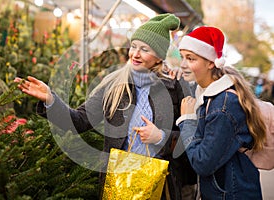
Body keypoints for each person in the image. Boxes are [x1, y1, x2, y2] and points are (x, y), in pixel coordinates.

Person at [15, 13, 196, 200]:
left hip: (159, 185)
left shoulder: (174, 89)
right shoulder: (114, 84)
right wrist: (50, 100)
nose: (135, 54)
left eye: (144, 49)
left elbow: (192, 140)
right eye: (133, 46)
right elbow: (79, 121)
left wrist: (161, 137)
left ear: (159, 57)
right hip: (119, 182)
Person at [175, 26, 267, 199]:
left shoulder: (223, 107)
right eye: (182, 57)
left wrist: (187, 121)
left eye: (190, 58)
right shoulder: (208, 95)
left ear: (211, 62)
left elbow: (202, 163)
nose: (183, 64)